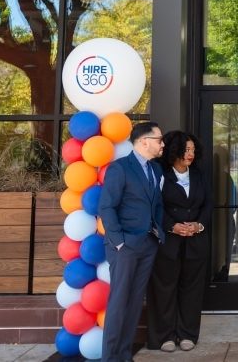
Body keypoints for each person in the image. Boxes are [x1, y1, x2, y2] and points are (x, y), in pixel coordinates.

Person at [98, 121, 165, 362]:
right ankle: (110, 357)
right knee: (119, 303)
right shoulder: (120, 168)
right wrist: (118, 242)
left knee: (135, 303)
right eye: (159, 139)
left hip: (147, 243)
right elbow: (106, 206)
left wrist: (157, 233)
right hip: (124, 246)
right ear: (143, 141)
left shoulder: (156, 170)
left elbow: (156, 204)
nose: (162, 144)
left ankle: (124, 356)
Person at [147, 131, 212, 352]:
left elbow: (208, 205)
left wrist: (198, 225)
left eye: (193, 149)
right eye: (186, 149)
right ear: (174, 150)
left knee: (192, 290)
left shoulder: (199, 174)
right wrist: (172, 226)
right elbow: (155, 206)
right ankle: (164, 336)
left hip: (196, 242)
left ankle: (188, 334)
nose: (190, 154)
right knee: (164, 289)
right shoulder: (160, 173)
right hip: (168, 242)